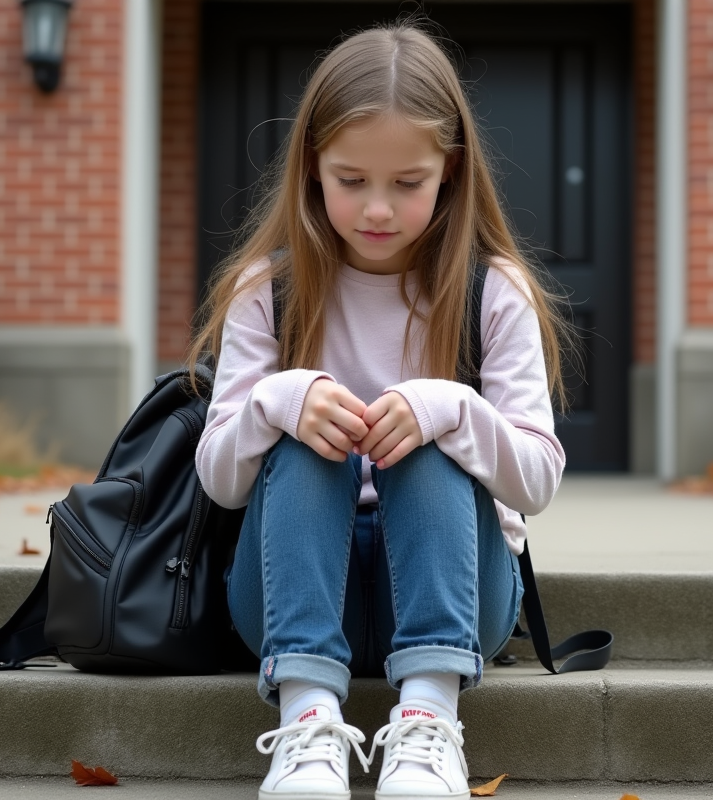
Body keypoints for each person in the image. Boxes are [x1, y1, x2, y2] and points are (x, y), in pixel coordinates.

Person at [189, 18, 571, 800]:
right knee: (303, 432)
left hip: (453, 597)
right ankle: (305, 723)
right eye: (350, 179)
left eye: (408, 183)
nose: (377, 209)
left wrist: (452, 410)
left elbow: (535, 482)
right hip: (293, 590)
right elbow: (222, 484)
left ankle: (429, 719)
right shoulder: (268, 287)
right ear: (311, 168)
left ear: (451, 172)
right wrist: (277, 402)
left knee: (426, 433)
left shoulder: (493, 291)